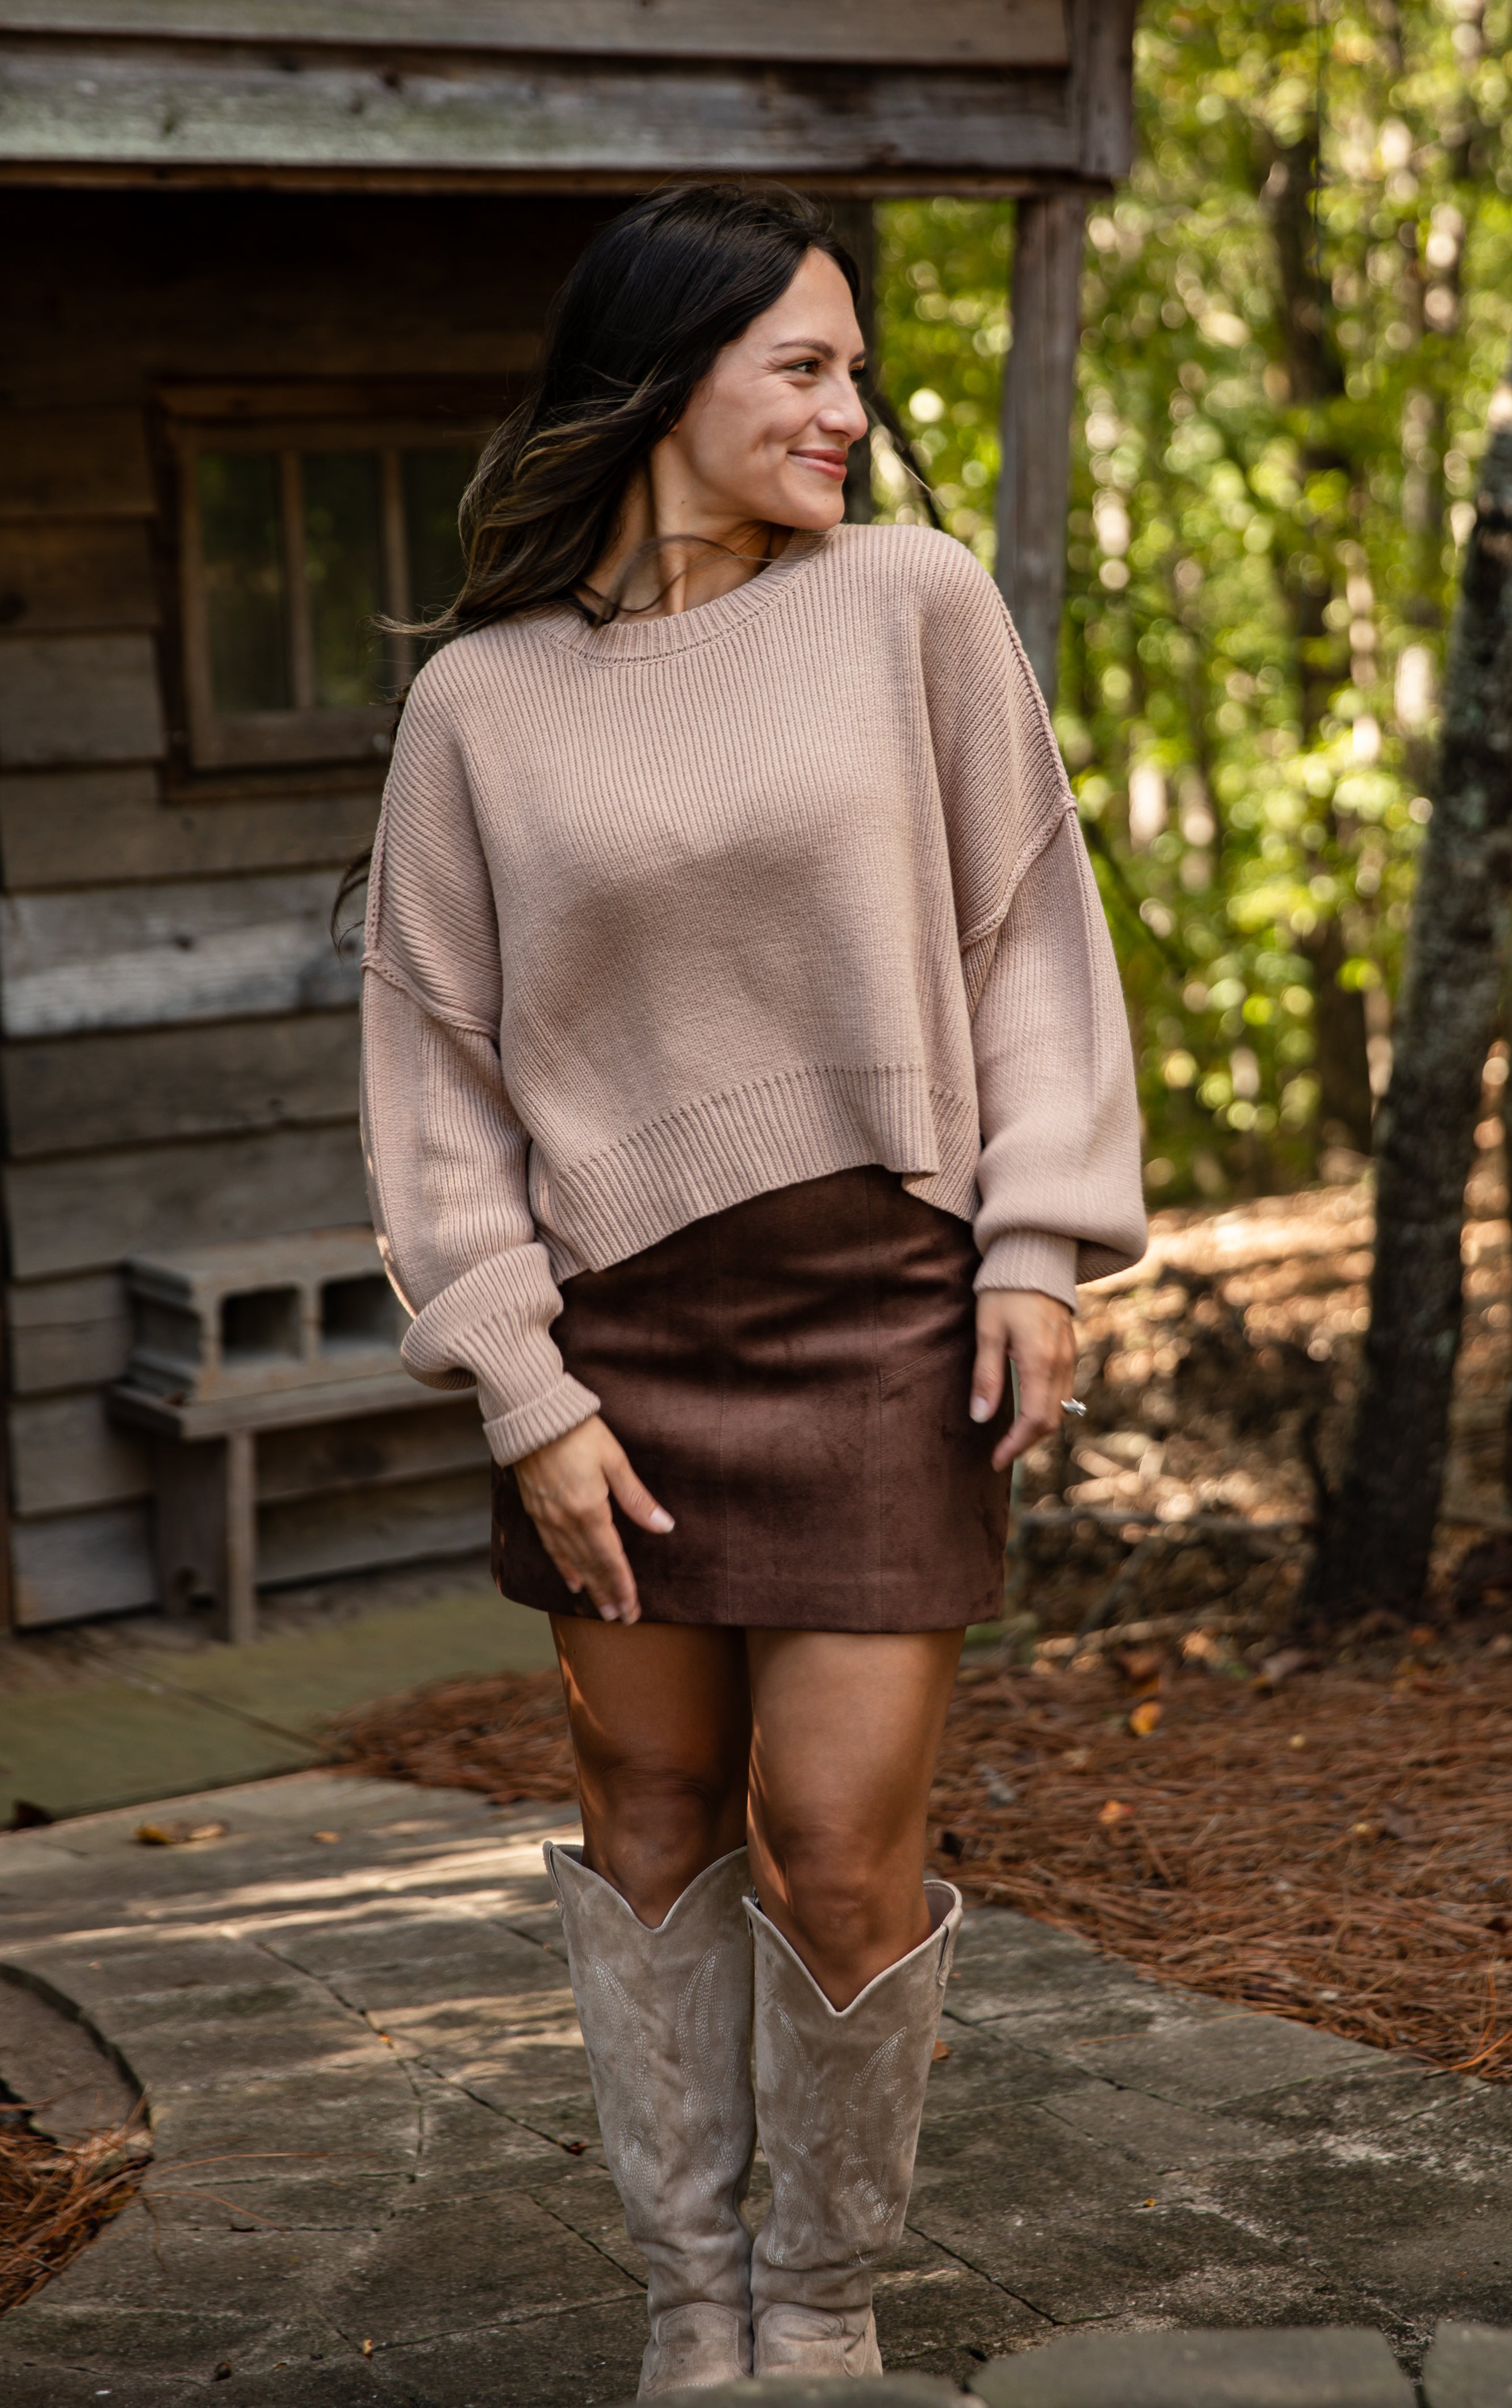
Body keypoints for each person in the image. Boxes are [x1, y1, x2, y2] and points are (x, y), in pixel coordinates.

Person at [359, 182, 1145, 2394]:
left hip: (881, 1313)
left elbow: (1028, 930)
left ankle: (821, 2301)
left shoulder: (908, 603)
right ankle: (691, 2304)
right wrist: (524, 1388)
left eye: (855, 372)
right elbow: (431, 1068)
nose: (846, 411)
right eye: (803, 366)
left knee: (836, 1845)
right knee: (644, 1828)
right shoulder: (479, 704)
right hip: (610, 1348)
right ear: (663, 379)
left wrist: (1035, 1243)